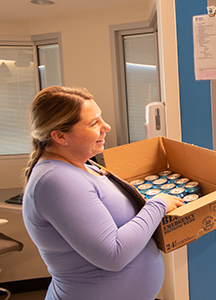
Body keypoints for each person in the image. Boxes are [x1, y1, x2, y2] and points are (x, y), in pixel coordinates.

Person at [22, 86, 184, 300]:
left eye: (101, 118)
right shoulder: (56, 180)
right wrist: (158, 205)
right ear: (60, 136)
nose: (106, 127)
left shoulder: (85, 166)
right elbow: (113, 256)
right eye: (93, 123)